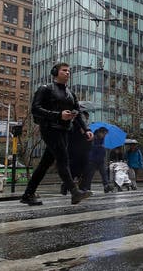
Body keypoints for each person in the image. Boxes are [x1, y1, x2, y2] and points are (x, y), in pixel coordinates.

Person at [22, 62, 93, 206]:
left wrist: (87, 130)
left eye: (69, 71)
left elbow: (77, 113)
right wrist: (58, 115)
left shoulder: (70, 93)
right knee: (63, 159)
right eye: (64, 70)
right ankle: (74, 192)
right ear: (55, 72)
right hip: (50, 129)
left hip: (64, 130)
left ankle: (28, 194)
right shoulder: (45, 89)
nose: (68, 73)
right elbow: (35, 109)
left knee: (44, 164)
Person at [61, 110, 92, 195]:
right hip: (74, 152)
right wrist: (80, 131)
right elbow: (69, 137)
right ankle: (65, 185)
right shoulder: (72, 124)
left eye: (86, 118)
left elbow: (89, 140)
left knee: (84, 170)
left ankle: (83, 188)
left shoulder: (87, 127)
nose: (86, 119)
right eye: (85, 117)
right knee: (74, 171)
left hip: (84, 151)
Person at [81, 127, 113, 193]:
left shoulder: (102, 139)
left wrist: (103, 149)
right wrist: (100, 146)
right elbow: (91, 147)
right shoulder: (93, 137)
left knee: (104, 173)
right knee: (90, 174)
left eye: (105, 134)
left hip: (101, 159)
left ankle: (106, 186)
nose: (104, 135)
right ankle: (87, 188)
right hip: (93, 159)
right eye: (104, 134)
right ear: (100, 132)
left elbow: (102, 148)